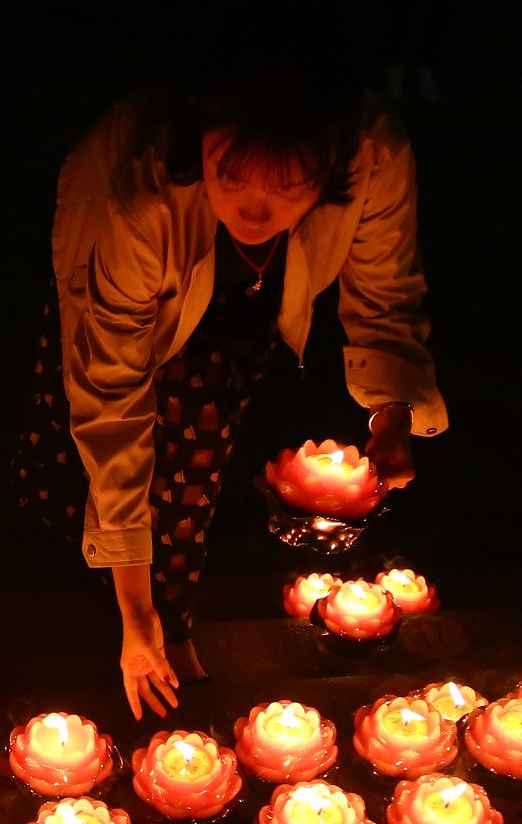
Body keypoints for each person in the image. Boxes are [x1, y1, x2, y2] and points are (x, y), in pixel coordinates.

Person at [23, 59, 448, 719]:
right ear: (204, 143)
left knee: (200, 432)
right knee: (89, 433)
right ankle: (112, 587)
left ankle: (169, 608)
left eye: (291, 187)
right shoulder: (146, 200)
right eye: (231, 176)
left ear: (331, 169)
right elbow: (110, 394)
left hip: (247, 286)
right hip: (130, 276)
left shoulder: (374, 155)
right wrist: (135, 617)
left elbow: (386, 290)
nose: (255, 209)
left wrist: (391, 419)